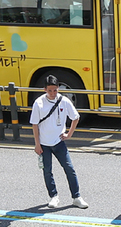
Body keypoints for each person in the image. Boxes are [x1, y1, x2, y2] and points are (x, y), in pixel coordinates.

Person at [30, 74, 87, 210]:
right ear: (44, 89)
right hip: (44, 143)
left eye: (55, 90)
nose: (53, 93)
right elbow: (35, 125)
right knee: (47, 171)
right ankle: (53, 196)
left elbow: (75, 117)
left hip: (59, 142)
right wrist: (37, 144)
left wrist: (69, 134)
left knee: (69, 168)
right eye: (50, 90)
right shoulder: (38, 103)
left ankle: (76, 197)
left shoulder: (64, 101)